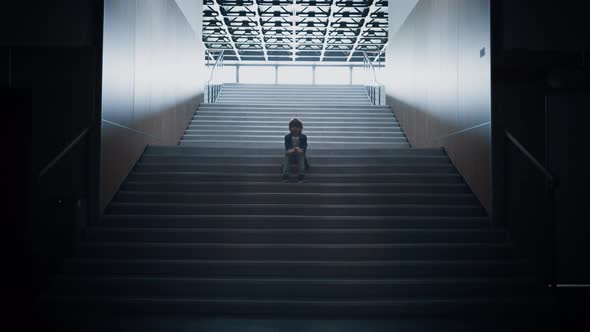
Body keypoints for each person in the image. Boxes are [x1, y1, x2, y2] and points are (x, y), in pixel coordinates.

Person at [282, 118, 308, 183]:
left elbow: (304, 148)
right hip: (291, 155)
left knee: (301, 154)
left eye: (297, 127)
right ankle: (286, 176)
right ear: (290, 128)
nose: (295, 129)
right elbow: (287, 148)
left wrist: (299, 150)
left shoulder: (303, 137)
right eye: (293, 127)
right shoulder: (287, 137)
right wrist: (295, 149)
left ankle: (301, 177)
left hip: (299, 155)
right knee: (287, 154)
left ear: (300, 128)